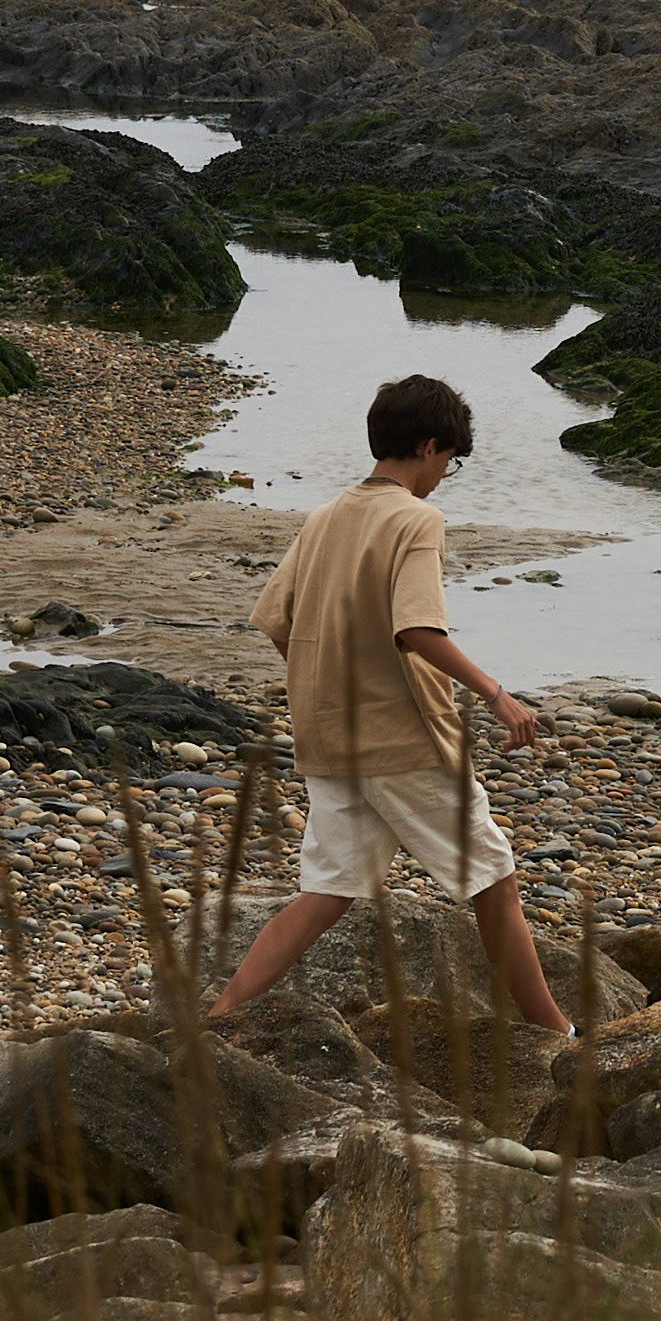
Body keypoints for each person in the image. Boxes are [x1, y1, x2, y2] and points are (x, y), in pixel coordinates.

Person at [206, 371, 571, 1036]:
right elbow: (416, 630)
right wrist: (498, 696)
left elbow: (277, 621)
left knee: (327, 892)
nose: (443, 477)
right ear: (429, 447)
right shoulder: (415, 518)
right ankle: (560, 1036)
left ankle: (220, 1017)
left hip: (329, 740)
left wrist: (328, 684)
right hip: (405, 741)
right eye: (449, 463)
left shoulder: (325, 517)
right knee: (495, 882)